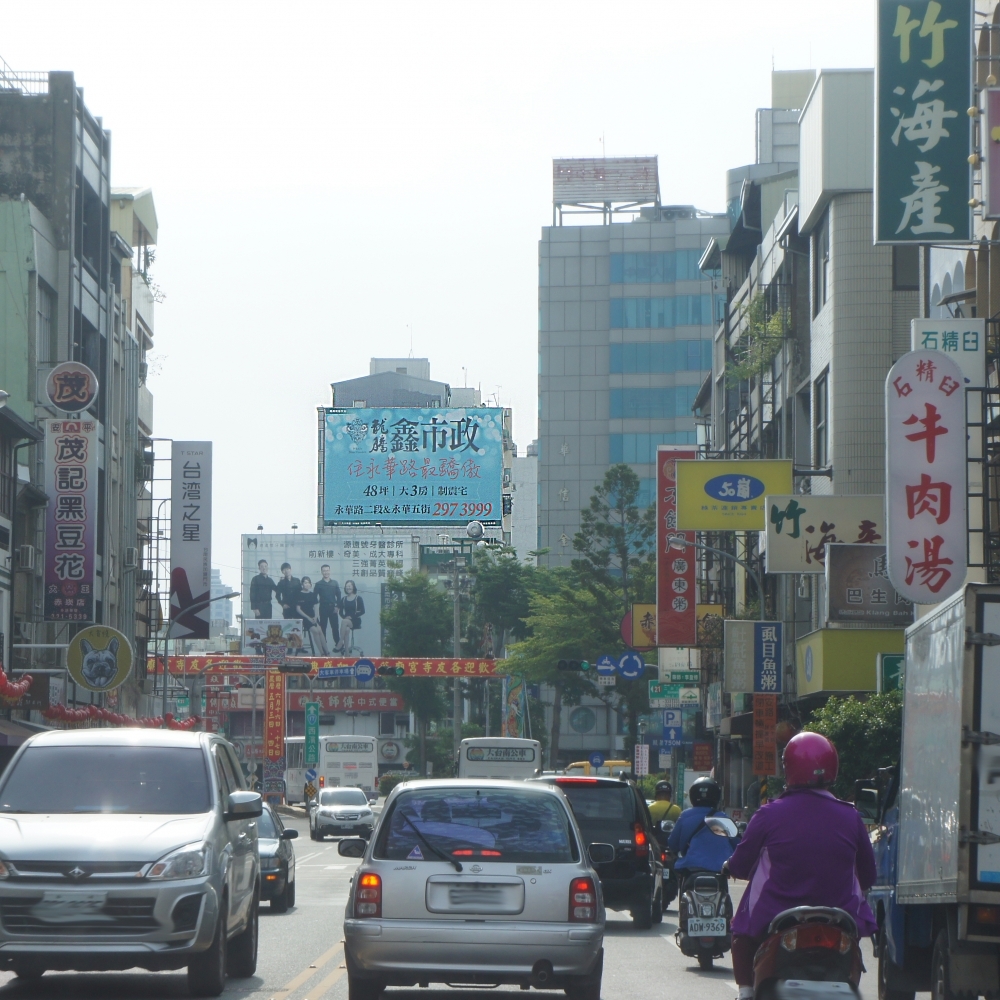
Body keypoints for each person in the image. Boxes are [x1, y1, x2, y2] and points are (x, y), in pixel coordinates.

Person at [725, 732, 877, 1000]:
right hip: (840, 918)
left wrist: (730, 867)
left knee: (741, 932)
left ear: (789, 768)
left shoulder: (769, 814)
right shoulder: (851, 816)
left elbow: (740, 865)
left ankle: (746, 993)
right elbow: (868, 875)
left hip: (773, 916)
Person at [667, 776, 735, 881]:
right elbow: (737, 844)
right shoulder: (723, 818)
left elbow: (672, 844)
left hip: (691, 868)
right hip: (720, 870)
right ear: (716, 796)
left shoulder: (685, 816)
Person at [296, 576, 329, 655]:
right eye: (305, 582)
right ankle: (321, 653)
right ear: (302, 584)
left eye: (308, 583)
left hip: (313, 616)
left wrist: (316, 617)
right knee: (315, 631)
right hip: (303, 617)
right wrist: (308, 618)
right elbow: (298, 609)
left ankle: (327, 652)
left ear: (310, 584)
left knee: (320, 631)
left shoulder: (313, 594)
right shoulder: (299, 594)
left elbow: (316, 607)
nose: (307, 584)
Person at [314, 564, 342, 650]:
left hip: (333, 608)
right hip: (323, 608)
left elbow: (339, 595)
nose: (326, 572)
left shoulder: (335, 583)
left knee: (335, 627)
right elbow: (314, 597)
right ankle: (324, 646)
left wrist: (337, 607)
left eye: (327, 570)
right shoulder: (318, 584)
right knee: (323, 627)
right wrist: (315, 611)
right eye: (324, 570)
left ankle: (338, 645)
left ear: (330, 571)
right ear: (321, 572)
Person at [338, 579, 365, 654]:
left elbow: (363, 611)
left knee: (344, 621)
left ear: (353, 587)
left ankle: (340, 642)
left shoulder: (358, 598)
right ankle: (347, 652)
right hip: (346, 621)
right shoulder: (343, 599)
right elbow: (340, 612)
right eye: (347, 586)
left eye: (350, 586)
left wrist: (352, 617)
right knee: (346, 629)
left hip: (356, 620)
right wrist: (345, 617)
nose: (348, 588)